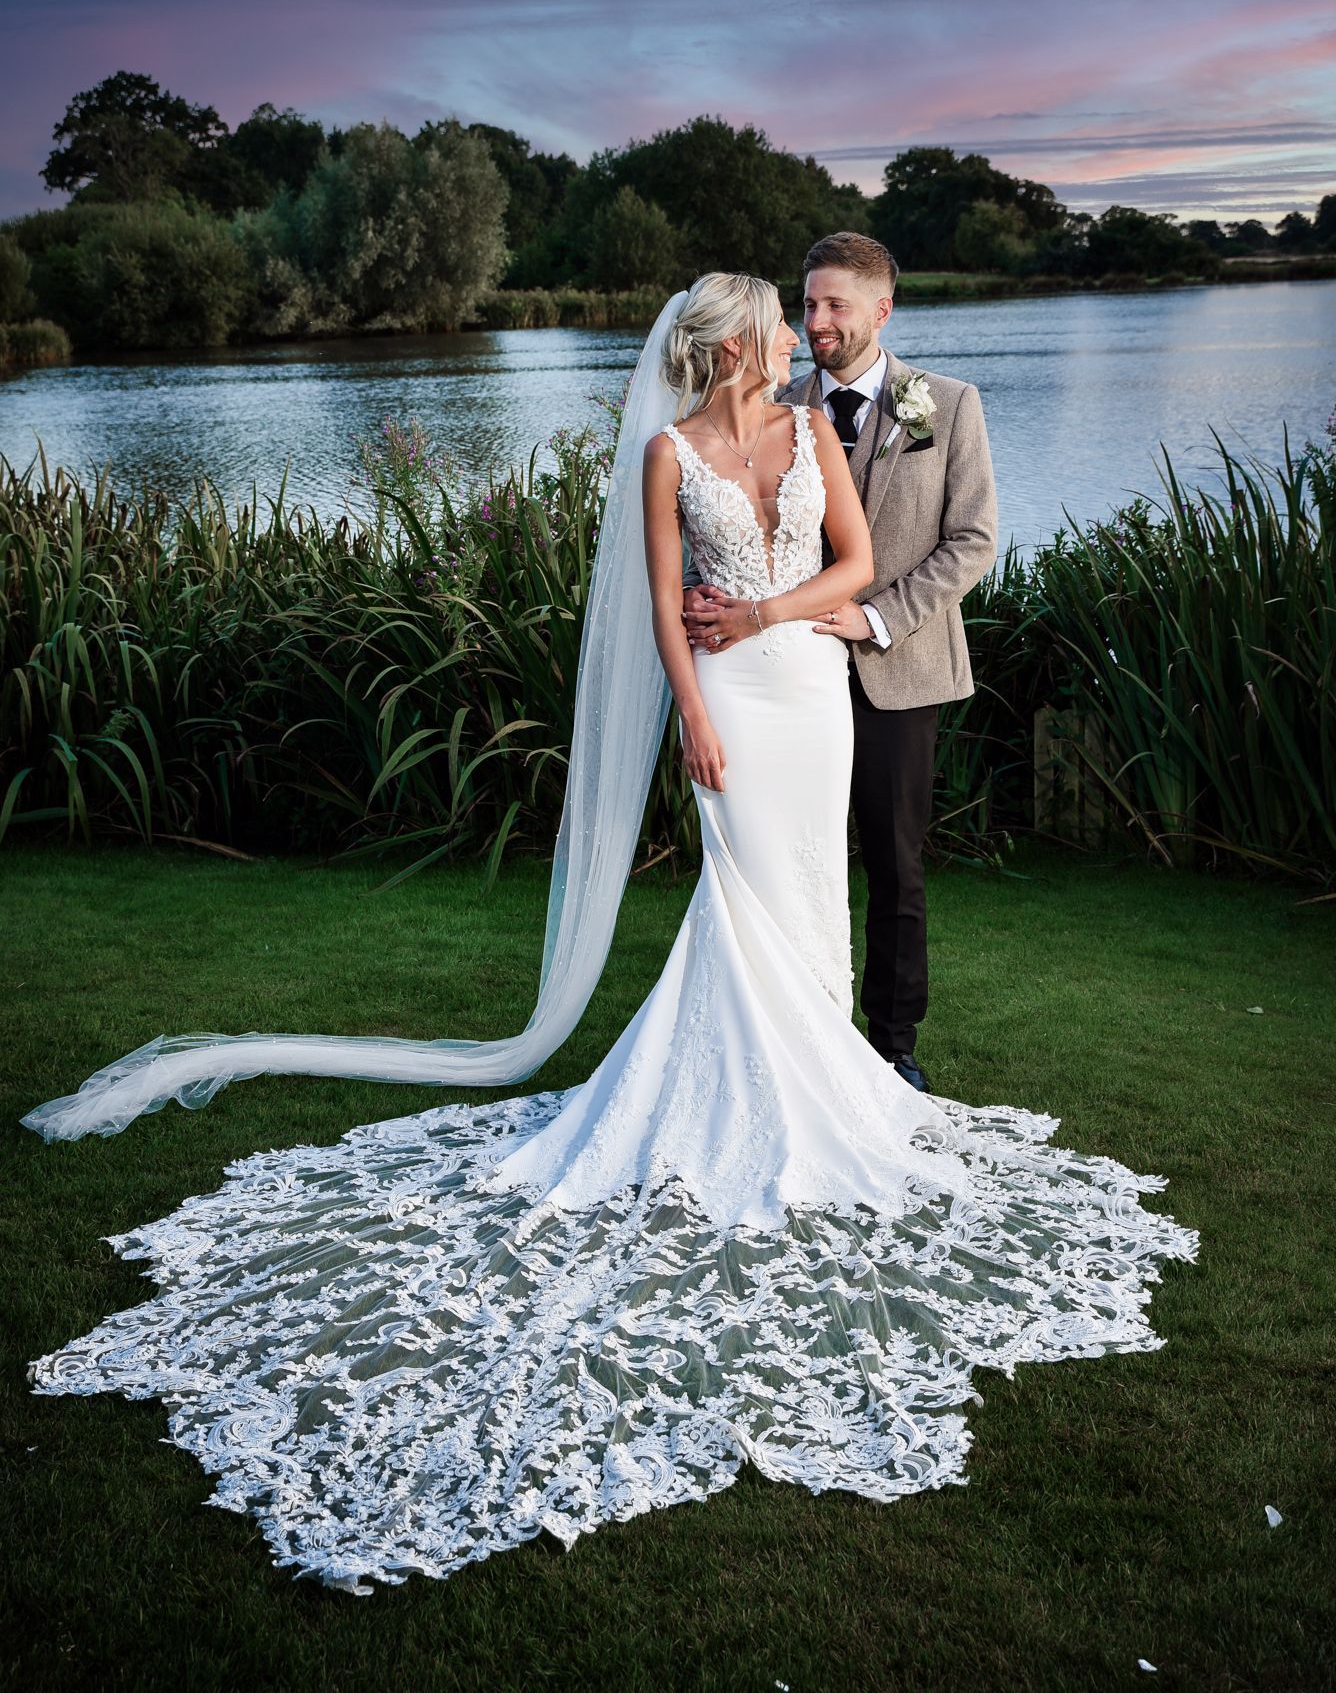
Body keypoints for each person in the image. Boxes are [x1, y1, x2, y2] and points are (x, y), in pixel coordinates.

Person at [22, 277, 1197, 1594]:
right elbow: (657, 607)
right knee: (740, 900)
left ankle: (833, 1091)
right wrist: (693, 711)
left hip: (808, 686)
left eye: (797, 318)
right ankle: (756, 1107)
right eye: (772, 321)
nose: (785, 340)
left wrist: (762, 614)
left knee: (814, 904)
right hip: (736, 711)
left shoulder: (813, 436)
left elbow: (859, 567)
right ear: (726, 344)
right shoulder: (664, 453)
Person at [684, 232, 995, 1093]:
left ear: (880, 311)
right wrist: (704, 597)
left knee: (894, 863)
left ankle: (892, 1050)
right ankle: (784, 1038)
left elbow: (972, 540)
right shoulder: (771, 401)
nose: (814, 321)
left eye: (833, 306)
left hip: (900, 667)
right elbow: (719, 520)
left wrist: (876, 618)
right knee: (783, 856)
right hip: (776, 674)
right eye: (806, 303)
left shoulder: (946, 405)